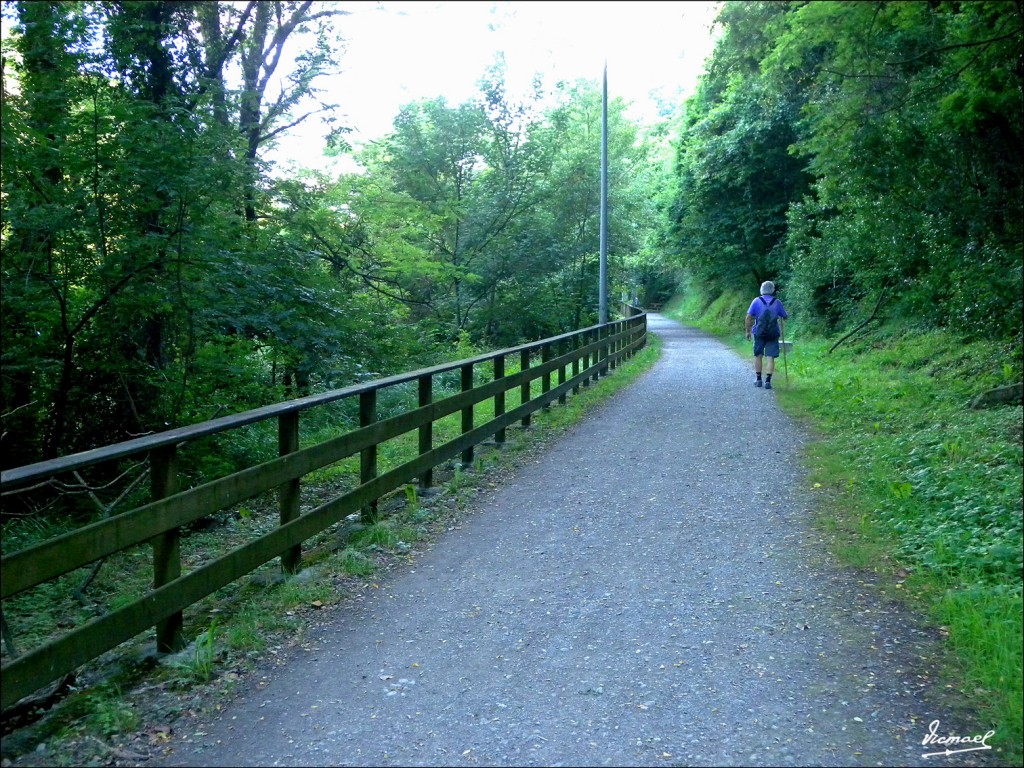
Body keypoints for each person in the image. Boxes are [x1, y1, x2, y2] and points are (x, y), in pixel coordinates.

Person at [744, 280, 788, 390]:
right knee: (770, 357)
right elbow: (785, 316)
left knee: (758, 355)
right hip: (773, 334)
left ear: (761, 290)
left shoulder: (756, 301)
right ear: (772, 290)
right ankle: (768, 381)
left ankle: (758, 380)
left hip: (759, 333)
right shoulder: (777, 302)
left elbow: (748, 317)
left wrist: (748, 331)